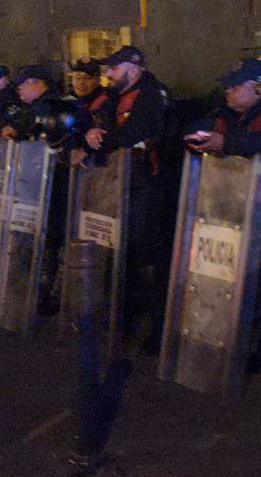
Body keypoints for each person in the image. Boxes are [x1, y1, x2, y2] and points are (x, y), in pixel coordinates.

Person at [186, 57, 261, 370]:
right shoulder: (230, 112)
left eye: (236, 86)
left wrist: (228, 142)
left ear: (258, 87)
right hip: (235, 206)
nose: (229, 91)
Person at [83, 46, 172, 354]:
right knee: (116, 253)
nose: (107, 74)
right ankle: (118, 322)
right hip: (116, 185)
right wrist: (91, 131)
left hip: (146, 187)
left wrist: (101, 137)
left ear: (133, 69)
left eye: (113, 68)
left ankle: (151, 331)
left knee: (141, 258)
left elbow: (136, 133)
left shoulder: (152, 94)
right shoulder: (114, 96)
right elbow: (94, 119)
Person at [3, 64, 89, 313]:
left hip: (51, 183)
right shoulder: (44, 106)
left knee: (52, 238)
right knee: (48, 237)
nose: (19, 90)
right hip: (42, 182)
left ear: (38, 83)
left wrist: (14, 130)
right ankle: (45, 291)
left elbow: (25, 129)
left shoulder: (51, 107)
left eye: (23, 85)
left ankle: (50, 293)